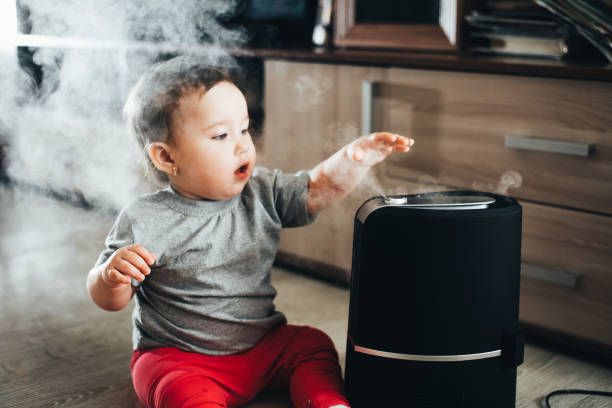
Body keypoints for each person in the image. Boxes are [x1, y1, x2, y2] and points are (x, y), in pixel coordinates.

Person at [86, 56, 414, 408]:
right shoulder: (146, 218)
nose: (243, 145)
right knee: (174, 386)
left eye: (244, 128)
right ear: (166, 158)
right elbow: (110, 299)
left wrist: (354, 159)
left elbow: (317, 189)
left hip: (262, 347)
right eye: (221, 135)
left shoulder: (262, 191)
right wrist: (111, 276)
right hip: (183, 359)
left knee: (312, 344)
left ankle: (326, 402)